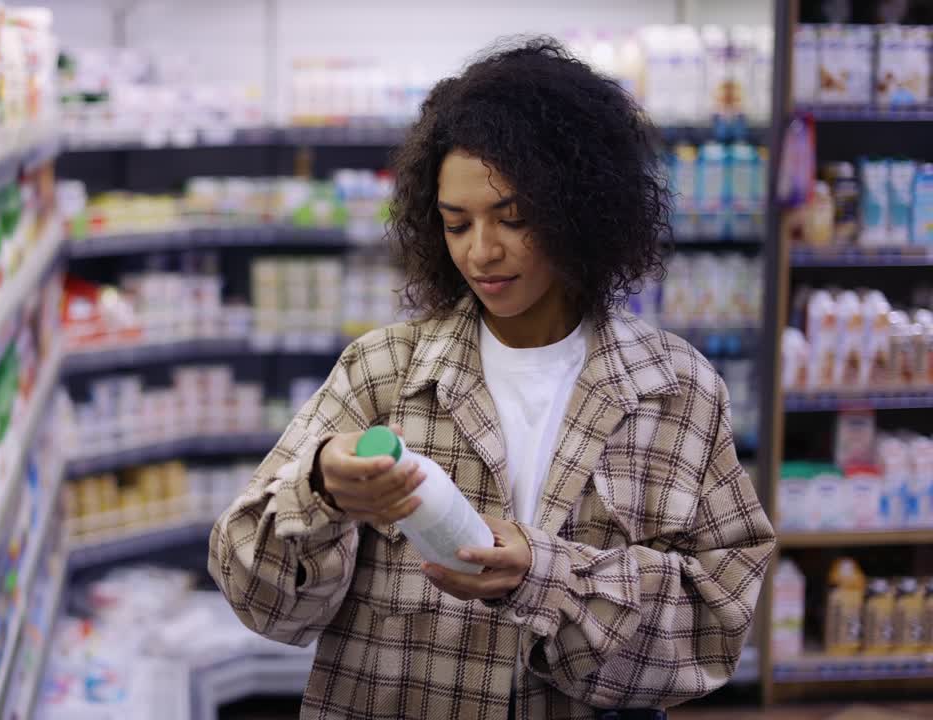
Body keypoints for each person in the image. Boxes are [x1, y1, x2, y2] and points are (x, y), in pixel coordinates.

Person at [209, 38, 775, 720]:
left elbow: (714, 626)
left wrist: (547, 579)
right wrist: (320, 489)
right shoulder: (383, 375)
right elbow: (262, 603)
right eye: (457, 224)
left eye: (515, 218)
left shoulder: (675, 392)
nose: (482, 252)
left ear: (583, 211)